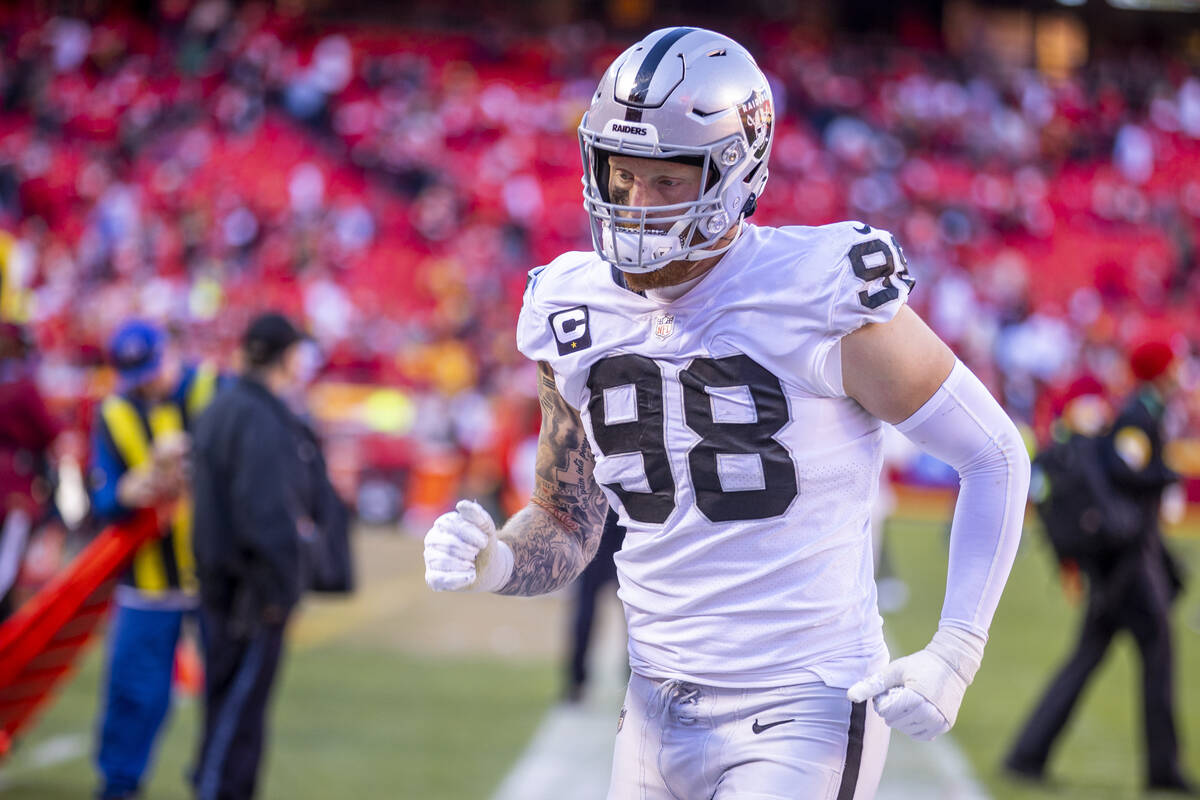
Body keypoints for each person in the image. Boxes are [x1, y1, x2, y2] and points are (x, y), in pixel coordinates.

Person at [423, 27, 1031, 799]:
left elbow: (995, 455)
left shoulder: (817, 291)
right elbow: (570, 519)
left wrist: (958, 649)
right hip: (649, 706)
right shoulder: (572, 305)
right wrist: (498, 562)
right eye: (621, 174)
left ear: (736, 173)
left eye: (666, 181)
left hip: (801, 703)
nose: (634, 204)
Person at [1005, 341, 1193, 793]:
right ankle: (1163, 770)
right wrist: (1170, 472)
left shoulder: (1139, 412)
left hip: (1120, 566)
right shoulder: (1138, 416)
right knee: (1157, 659)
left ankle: (1028, 754)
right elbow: (1124, 472)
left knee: (1087, 659)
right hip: (1128, 566)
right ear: (1160, 371)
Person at [191, 311, 344, 800]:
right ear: (286, 355)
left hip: (223, 587)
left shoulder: (222, 406)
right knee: (234, 724)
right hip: (250, 596)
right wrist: (282, 589)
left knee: (227, 714)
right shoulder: (261, 416)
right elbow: (266, 515)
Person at [89, 319, 223, 800]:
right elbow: (103, 501)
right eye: (136, 376)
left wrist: (197, 462)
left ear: (170, 352)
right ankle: (119, 785)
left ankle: (220, 786)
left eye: (152, 370)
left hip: (217, 577)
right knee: (134, 695)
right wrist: (134, 487)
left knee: (227, 696)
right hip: (148, 581)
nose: (148, 383)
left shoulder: (214, 389)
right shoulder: (113, 413)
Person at [0, 322, 61, 620]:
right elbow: (47, 431)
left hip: (13, 484)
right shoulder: (21, 387)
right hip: (13, 487)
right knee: (7, 568)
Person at [564, 508, 627, 703]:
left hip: (598, 515)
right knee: (635, 607)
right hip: (626, 513)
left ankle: (577, 682)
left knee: (588, 603)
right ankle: (639, 680)